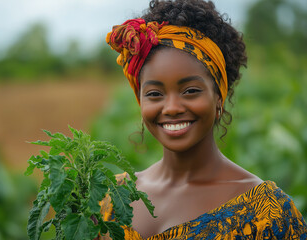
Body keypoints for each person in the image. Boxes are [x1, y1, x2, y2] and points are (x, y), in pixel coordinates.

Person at [101, 0, 307, 239]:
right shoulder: (110, 197)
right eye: (155, 94)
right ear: (140, 100)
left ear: (219, 96)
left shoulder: (267, 214)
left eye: (190, 91)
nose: (172, 108)